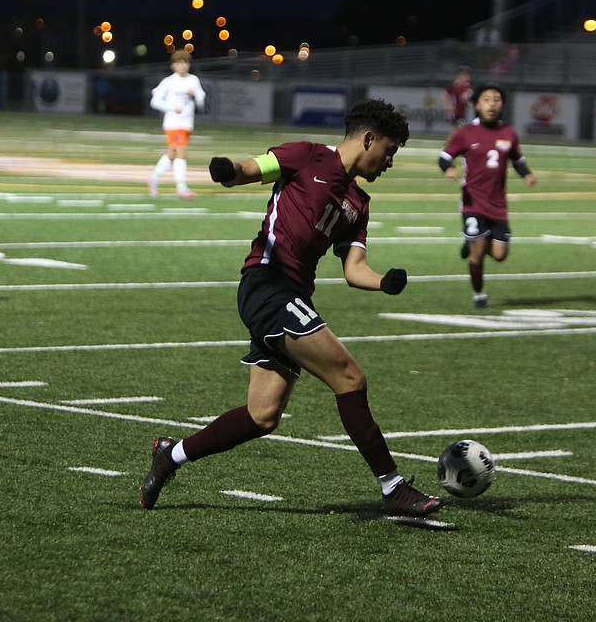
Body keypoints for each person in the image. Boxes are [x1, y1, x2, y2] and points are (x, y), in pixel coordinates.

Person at [139, 98, 444, 518]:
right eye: (389, 151)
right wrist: (229, 171)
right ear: (369, 138)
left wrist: (383, 282)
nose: (389, 162)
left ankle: (170, 455)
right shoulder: (308, 155)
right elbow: (254, 168)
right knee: (350, 378)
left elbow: (354, 270)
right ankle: (393, 487)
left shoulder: (359, 204)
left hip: (292, 297)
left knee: (262, 416)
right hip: (268, 284)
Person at [439, 84, 536, 308]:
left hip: (498, 205)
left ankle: (472, 240)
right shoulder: (465, 133)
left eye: (497, 99)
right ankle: (479, 294)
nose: (492, 103)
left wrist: (527, 174)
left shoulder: (508, 133)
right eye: (486, 99)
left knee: (500, 254)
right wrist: (449, 168)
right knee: (478, 251)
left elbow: (517, 160)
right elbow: (444, 157)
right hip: (472, 202)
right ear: (477, 104)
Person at [148, 49, 206, 199]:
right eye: (179, 63)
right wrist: (172, 107)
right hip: (174, 123)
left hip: (187, 123)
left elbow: (201, 99)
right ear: (173, 66)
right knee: (182, 152)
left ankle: (153, 178)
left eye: (185, 62)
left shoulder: (193, 80)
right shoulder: (169, 81)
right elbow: (154, 101)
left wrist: (195, 95)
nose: (182, 66)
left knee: (172, 154)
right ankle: (181, 187)